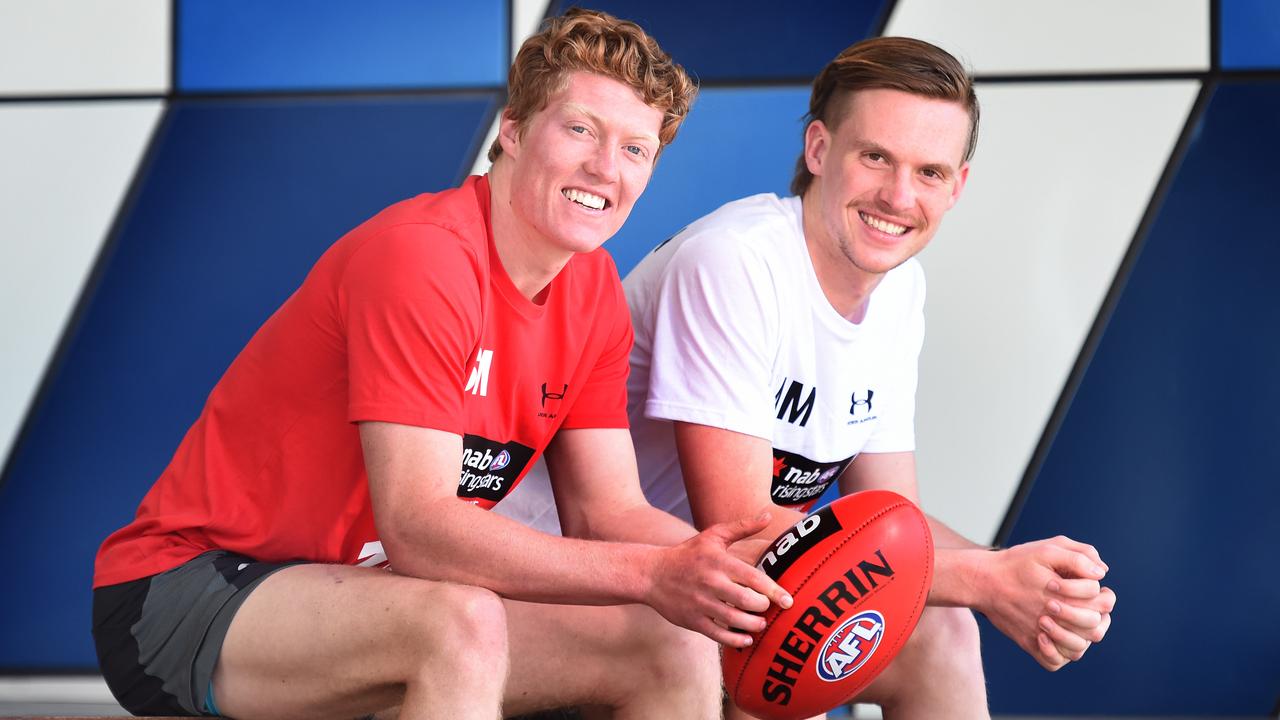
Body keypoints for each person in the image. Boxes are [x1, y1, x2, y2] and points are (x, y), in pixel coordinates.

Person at [90, 9, 792, 720]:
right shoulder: (424, 256)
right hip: (187, 592)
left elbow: (608, 511)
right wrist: (653, 573)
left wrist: (749, 569)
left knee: (671, 645)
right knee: (462, 621)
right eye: (580, 129)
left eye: (636, 149)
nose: (606, 168)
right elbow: (420, 527)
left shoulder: (593, 290)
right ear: (513, 130)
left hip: (363, 597)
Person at [501, 35, 1117, 719]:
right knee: (797, 621)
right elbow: (741, 530)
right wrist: (985, 578)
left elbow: (891, 520)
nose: (898, 195)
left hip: (716, 591)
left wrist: (1027, 580)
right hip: (585, 579)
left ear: (958, 187)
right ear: (820, 150)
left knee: (942, 627)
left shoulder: (899, 291)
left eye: (931, 172)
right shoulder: (736, 261)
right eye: (875, 157)